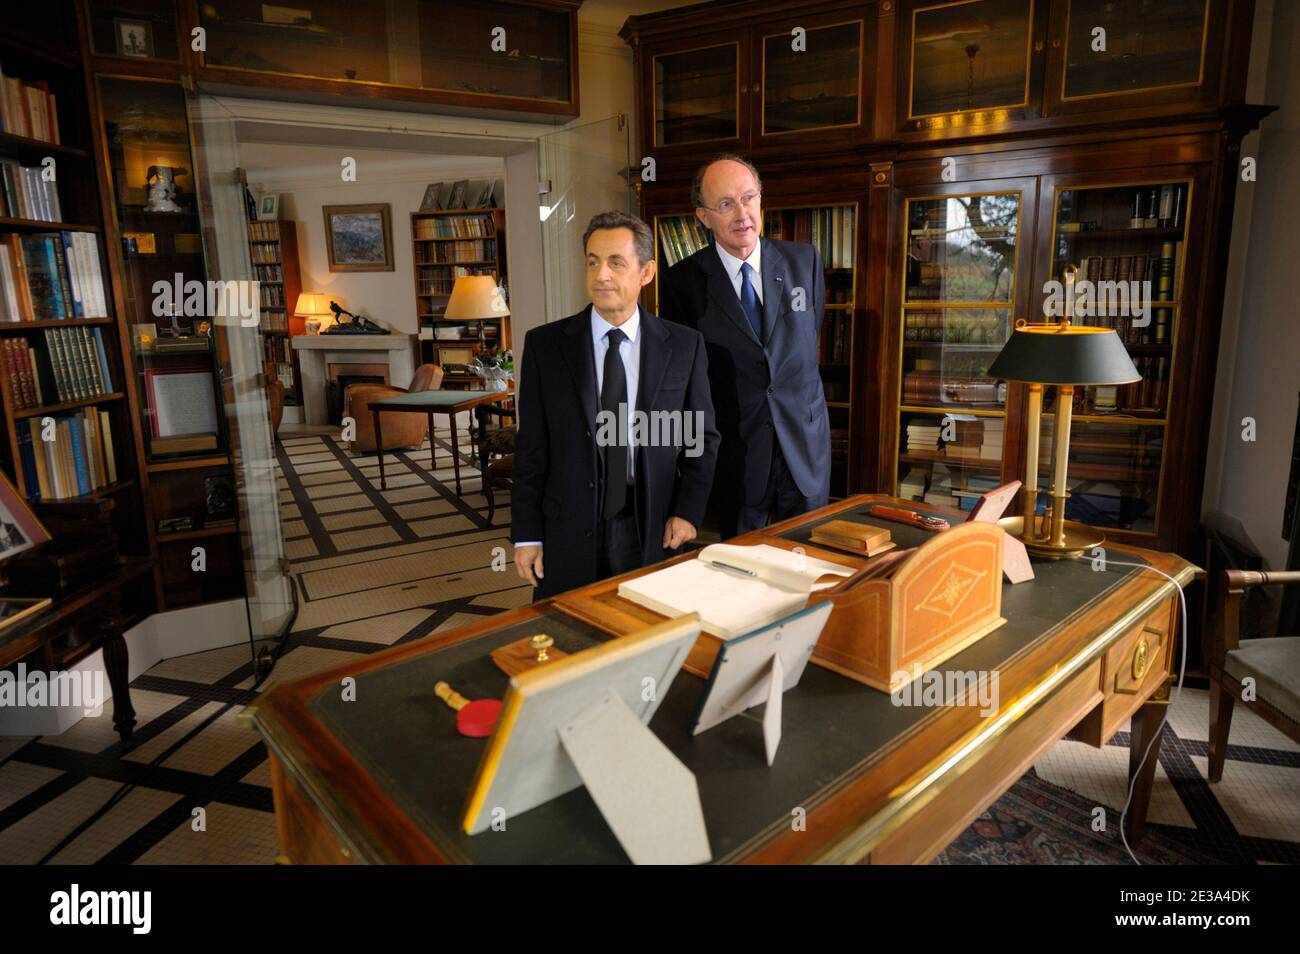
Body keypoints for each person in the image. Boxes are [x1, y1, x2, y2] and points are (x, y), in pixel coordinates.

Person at [512, 210, 719, 599]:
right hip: (568, 526)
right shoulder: (545, 346)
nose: (601, 274)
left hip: (649, 524)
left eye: (616, 263)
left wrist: (689, 511)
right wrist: (526, 533)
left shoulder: (684, 346)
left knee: (644, 635)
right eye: (593, 262)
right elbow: (531, 448)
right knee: (570, 640)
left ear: (646, 272)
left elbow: (700, 439)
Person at [660, 154, 831, 538]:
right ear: (703, 216)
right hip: (736, 455)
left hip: (803, 450)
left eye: (749, 198)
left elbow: (806, 343)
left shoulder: (804, 261)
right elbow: (686, 379)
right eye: (725, 204)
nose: (742, 214)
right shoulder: (681, 283)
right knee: (741, 570)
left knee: (808, 563)